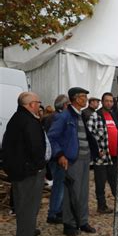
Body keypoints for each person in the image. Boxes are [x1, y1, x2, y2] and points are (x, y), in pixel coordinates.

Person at [48, 87, 98, 236]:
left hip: (84, 158)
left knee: (83, 192)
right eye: (83, 96)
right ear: (75, 99)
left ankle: (82, 221)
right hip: (72, 159)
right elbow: (52, 137)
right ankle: (69, 224)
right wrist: (60, 155)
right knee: (71, 192)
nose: (85, 99)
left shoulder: (80, 115)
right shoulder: (64, 116)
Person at [3, 92, 49, 236]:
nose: (39, 105)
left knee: (26, 203)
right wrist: (39, 165)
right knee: (28, 203)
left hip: (22, 169)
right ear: (30, 105)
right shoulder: (27, 121)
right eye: (37, 102)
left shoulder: (19, 118)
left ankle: (27, 229)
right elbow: (35, 147)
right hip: (28, 170)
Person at [87, 92, 118, 214]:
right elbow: (89, 134)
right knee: (100, 182)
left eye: (111, 101)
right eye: (106, 101)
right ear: (102, 102)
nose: (109, 103)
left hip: (114, 155)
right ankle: (101, 206)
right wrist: (96, 150)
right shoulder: (95, 115)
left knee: (115, 181)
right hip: (102, 156)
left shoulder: (113, 115)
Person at [45, 94, 70, 224]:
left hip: (56, 156)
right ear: (65, 105)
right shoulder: (57, 118)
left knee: (60, 185)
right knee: (59, 186)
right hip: (58, 157)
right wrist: (60, 154)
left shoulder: (51, 117)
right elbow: (54, 138)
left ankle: (58, 209)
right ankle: (53, 213)